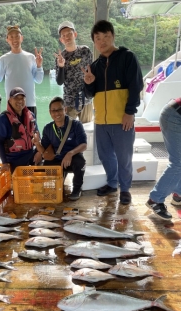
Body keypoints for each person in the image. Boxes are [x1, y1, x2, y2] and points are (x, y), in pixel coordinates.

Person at [83, 20, 143, 205]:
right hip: (101, 121)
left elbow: (136, 86)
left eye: (106, 36)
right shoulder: (94, 66)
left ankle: (125, 189)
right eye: (98, 38)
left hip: (122, 119)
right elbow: (88, 94)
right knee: (105, 155)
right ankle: (112, 182)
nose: (102, 41)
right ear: (94, 41)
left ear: (113, 36)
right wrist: (88, 82)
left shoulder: (127, 57)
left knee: (124, 156)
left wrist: (130, 112)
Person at [33, 96, 87, 201]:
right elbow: (43, 149)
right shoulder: (48, 128)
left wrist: (71, 153)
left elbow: (84, 145)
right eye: (53, 110)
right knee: (47, 164)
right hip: (57, 158)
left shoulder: (76, 125)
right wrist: (37, 143)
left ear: (65, 109)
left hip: (73, 157)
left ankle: (77, 188)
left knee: (80, 162)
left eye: (59, 109)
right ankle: (54, 187)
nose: (57, 113)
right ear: (50, 112)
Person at [0, 25, 44, 116]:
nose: (14, 39)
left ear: (22, 38)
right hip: (12, 105)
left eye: (17, 36)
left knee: (31, 130)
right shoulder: (4, 59)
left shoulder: (31, 57)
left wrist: (39, 65)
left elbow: (39, 80)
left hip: (29, 103)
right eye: (11, 37)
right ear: (7, 40)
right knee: (13, 130)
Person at [145, 99, 181, 220]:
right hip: (175, 115)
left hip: (175, 112)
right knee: (178, 162)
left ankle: (178, 194)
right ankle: (154, 200)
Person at [55, 21, 93, 123]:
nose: (67, 37)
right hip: (69, 102)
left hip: (86, 100)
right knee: (69, 133)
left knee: (87, 131)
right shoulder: (60, 57)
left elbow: (93, 72)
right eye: (64, 36)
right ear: (61, 40)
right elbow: (59, 82)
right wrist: (61, 66)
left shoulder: (85, 51)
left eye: (69, 34)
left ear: (75, 34)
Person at [0, 87, 41, 173]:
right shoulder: (3, 119)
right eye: (16, 98)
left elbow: (38, 134)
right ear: (10, 100)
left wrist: (39, 152)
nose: (20, 101)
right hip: (14, 158)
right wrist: (4, 163)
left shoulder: (31, 115)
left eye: (22, 98)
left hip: (31, 153)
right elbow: (0, 142)